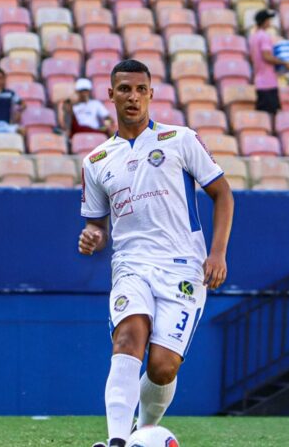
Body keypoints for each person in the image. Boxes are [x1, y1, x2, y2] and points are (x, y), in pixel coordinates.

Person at [79, 59, 234, 447]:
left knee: (163, 368)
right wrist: (92, 236)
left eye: (140, 89)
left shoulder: (180, 139)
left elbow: (223, 194)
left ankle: (142, 431)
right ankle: (117, 441)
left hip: (183, 267)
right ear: (110, 94)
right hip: (131, 265)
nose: (132, 96)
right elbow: (97, 223)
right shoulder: (96, 162)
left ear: (151, 93)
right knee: (128, 338)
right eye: (124, 89)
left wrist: (218, 254)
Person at [248, 9, 289, 115]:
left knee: (263, 112)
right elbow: (267, 56)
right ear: (264, 21)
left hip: (259, 80)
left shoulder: (253, 36)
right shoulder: (264, 36)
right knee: (270, 113)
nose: (270, 23)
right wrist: (284, 63)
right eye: (269, 20)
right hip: (268, 82)